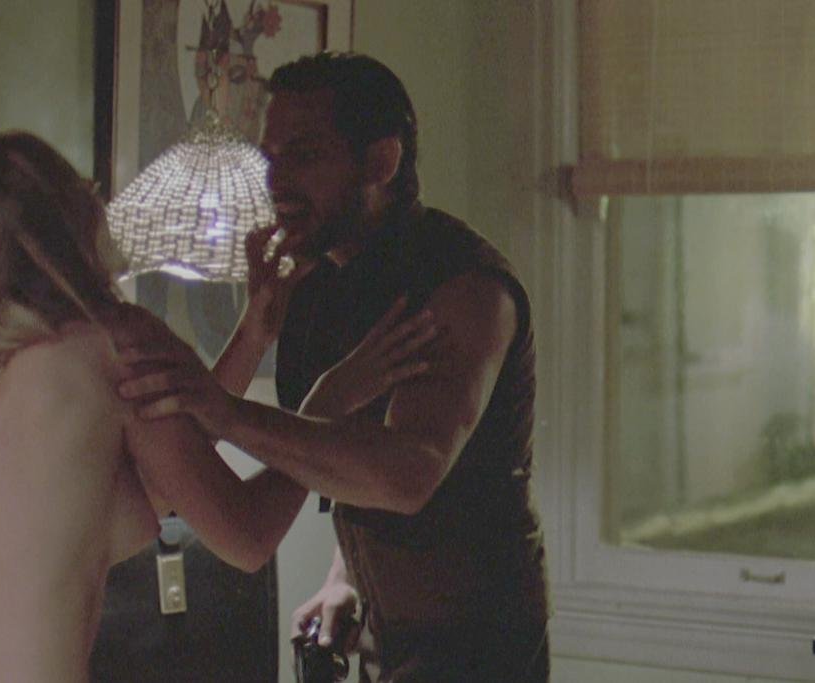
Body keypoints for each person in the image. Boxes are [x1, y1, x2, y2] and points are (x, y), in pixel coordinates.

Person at [0, 131, 435, 683]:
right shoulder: (116, 339)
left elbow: (169, 463)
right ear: (65, 222)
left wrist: (253, 334)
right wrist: (329, 400)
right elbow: (246, 534)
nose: (98, 197)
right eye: (83, 188)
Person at [118, 52, 550, 681]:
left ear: (381, 162)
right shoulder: (316, 285)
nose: (276, 181)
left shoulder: (462, 286)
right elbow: (338, 460)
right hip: (379, 636)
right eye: (270, 157)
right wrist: (343, 575)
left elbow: (407, 474)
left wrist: (230, 413)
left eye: (304, 155)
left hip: (479, 646)